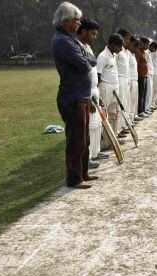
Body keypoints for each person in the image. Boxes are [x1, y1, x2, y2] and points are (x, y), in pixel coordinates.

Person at [52, 2, 98, 189]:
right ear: (65, 20)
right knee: (76, 140)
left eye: (79, 19)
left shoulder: (70, 39)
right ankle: (74, 178)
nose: (78, 22)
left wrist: (87, 59)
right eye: (75, 19)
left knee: (84, 139)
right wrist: (87, 59)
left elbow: (89, 60)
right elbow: (85, 64)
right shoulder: (62, 41)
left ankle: (83, 173)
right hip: (72, 97)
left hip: (81, 96)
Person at [77, 18, 107, 168]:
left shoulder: (88, 47)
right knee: (89, 127)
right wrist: (88, 96)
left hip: (94, 90)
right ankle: (86, 159)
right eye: (92, 33)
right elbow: (82, 75)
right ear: (83, 31)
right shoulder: (77, 47)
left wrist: (97, 94)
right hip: (85, 92)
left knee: (96, 125)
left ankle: (96, 152)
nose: (94, 37)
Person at [97, 34, 123, 147]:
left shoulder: (113, 55)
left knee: (114, 115)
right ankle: (102, 144)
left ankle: (112, 141)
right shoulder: (103, 56)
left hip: (114, 88)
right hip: (105, 88)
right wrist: (98, 95)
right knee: (104, 116)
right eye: (119, 46)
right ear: (112, 44)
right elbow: (98, 75)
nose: (121, 49)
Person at [116, 29, 131, 137]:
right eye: (127, 38)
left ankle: (121, 127)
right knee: (118, 106)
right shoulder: (117, 50)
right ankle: (116, 130)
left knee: (124, 104)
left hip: (125, 79)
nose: (128, 41)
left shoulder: (125, 51)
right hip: (119, 80)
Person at [137, 37, 150, 118]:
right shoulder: (138, 52)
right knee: (140, 95)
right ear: (142, 43)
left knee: (144, 94)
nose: (147, 46)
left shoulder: (144, 53)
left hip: (145, 75)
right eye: (147, 44)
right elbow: (137, 65)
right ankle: (140, 111)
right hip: (140, 76)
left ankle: (143, 109)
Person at [127, 36, 139, 123]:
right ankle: (128, 120)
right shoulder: (127, 53)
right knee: (129, 101)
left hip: (135, 79)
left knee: (134, 100)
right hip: (129, 80)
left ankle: (132, 117)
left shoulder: (132, 54)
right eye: (134, 46)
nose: (136, 48)